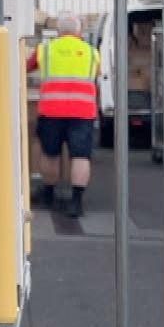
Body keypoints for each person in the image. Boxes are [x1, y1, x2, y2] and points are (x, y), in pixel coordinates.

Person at [31, 13, 102, 218]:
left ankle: (49, 195)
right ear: (79, 32)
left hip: (51, 111)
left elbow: (26, 66)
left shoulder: (45, 50)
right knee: (80, 156)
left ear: (58, 31)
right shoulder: (92, 53)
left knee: (50, 153)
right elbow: (97, 75)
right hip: (82, 113)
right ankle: (76, 202)